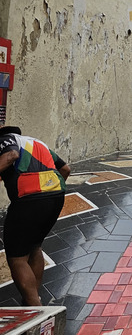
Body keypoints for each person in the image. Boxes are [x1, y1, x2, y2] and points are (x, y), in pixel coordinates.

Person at [0, 126, 70, 305]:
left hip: (29, 200)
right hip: (56, 196)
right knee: (34, 247)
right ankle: (33, 297)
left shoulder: (5, 140)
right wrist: (48, 188)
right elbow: (66, 169)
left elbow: (11, 156)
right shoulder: (35, 142)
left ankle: (35, 310)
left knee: (16, 257)